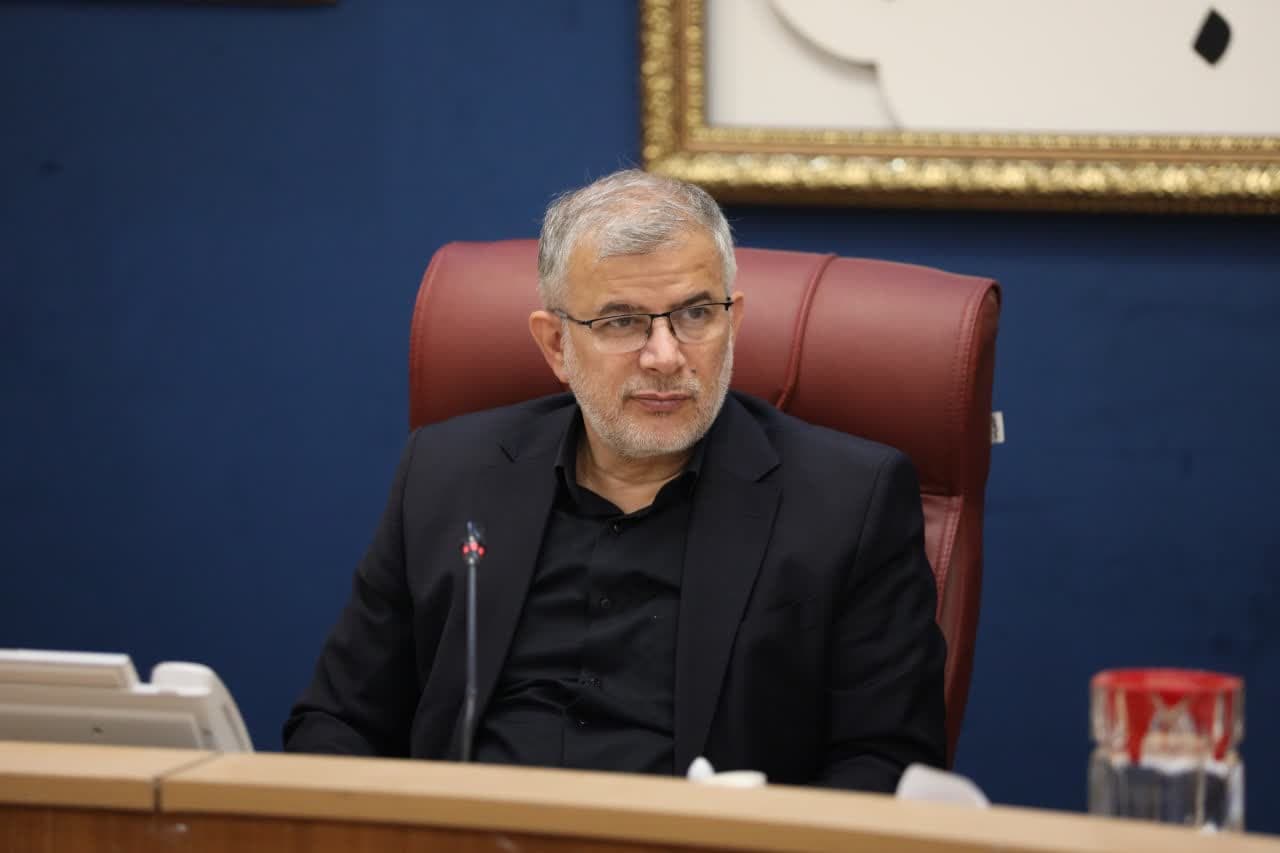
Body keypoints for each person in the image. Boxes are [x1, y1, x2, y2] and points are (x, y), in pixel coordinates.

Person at [284, 169, 946, 792]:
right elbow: (337, 722)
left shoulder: (849, 501)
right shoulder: (446, 473)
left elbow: (886, 761)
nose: (665, 356)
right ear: (555, 345)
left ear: (734, 321)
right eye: (621, 322)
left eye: (695, 314)